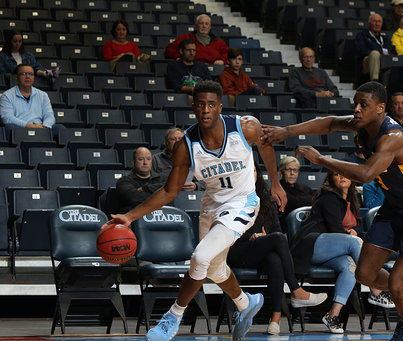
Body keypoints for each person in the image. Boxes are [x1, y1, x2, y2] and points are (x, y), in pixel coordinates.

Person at [262, 81, 403, 341]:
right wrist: (287, 131)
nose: (356, 109)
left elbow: (367, 174)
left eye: (363, 105)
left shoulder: (394, 138)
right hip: (394, 207)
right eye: (355, 103)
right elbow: (330, 122)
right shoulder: (362, 124)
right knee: (364, 274)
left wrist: (322, 159)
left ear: (381, 108)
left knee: (394, 284)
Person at [109, 80, 287, 341]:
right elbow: (170, 191)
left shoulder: (245, 127)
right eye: (201, 104)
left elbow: (266, 146)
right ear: (194, 107)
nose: (206, 109)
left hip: (243, 201)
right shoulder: (186, 145)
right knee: (214, 268)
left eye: (211, 104)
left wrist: (275, 183)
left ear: (220, 107)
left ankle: (173, 316)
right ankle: (245, 303)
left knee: (200, 257)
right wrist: (129, 216)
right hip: (212, 205)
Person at [290, 170, 395, 334]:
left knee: (350, 267)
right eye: (336, 174)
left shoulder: (352, 200)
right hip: (312, 244)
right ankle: (376, 290)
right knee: (354, 242)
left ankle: (333, 315)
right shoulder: (329, 197)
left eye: (345, 174)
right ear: (331, 179)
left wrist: (354, 234)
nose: (342, 176)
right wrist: (352, 236)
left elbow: (354, 229)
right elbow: (335, 229)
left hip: (334, 249)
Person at [227, 165, 327, 335]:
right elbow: (227, 227)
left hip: (261, 249)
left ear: (258, 175)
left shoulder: (266, 199)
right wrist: (251, 236)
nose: (250, 174)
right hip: (238, 249)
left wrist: (265, 238)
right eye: (246, 170)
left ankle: (275, 319)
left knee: (275, 257)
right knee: (278, 240)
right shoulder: (232, 197)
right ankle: (296, 291)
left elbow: (276, 229)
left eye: (253, 171)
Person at [0, 64, 57, 136]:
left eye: (31, 74)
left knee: (59, 128)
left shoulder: (43, 95)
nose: (27, 77)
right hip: (20, 129)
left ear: (34, 77)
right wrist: (29, 126)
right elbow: (7, 118)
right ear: (16, 77)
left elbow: (49, 115)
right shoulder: (7, 96)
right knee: (10, 127)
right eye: (24, 74)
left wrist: (44, 126)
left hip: (41, 128)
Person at [116, 147, 167, 213]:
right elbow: (133, 199)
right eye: (141, 159)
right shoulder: (124, 181)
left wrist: (146, 188)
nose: (145, 162)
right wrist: (161, 196)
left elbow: (170, 195)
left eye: (148, 159)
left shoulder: (162, 179)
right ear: (133, 162)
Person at [355, 14, 396, 82]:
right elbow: (361, 50)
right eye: (374, 21)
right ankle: (374, 81)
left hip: (384, 62)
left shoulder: (385, 38)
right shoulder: (362, 35)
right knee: (375, 53)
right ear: (369, 23)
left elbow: (392, 51)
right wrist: (379, 53)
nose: (377, 24)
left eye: (379, 21)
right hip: (367, 62)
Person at [278, 156, 315, 228]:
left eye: (295, 170)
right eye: (289, 170)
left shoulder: (306, 188)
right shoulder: (278, 190)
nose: (292, 173)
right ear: (282, 172)